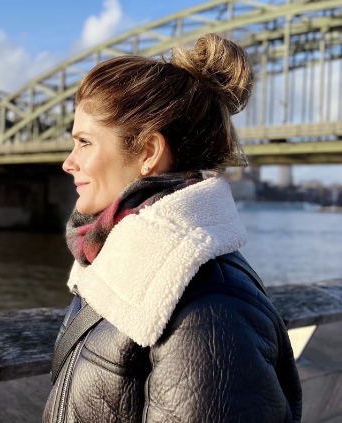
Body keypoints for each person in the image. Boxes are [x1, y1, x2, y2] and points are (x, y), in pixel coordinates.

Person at [43, 33, 302, 423]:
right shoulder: (123, 263)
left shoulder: (210, 309)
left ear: (148, 152)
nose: (68, 162)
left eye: (84, 143)